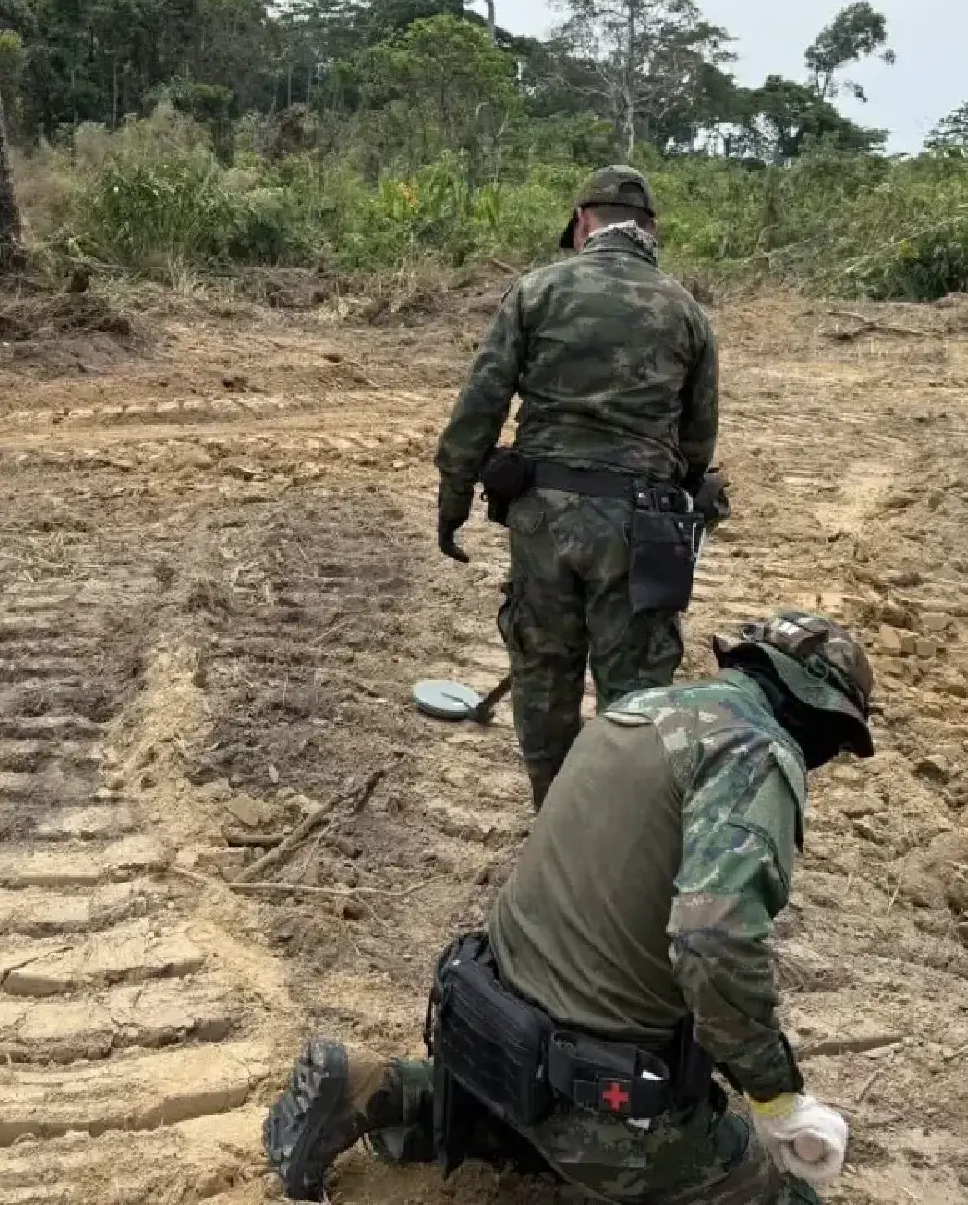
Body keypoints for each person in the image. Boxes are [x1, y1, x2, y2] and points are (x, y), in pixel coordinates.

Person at [263, 611, 876, 1205]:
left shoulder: (641, 709)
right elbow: (713, 941)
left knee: (524, 1118)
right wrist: (777, 1096)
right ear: (818, 710)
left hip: (480, 1022)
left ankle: (377, 1087)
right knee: (767, 1191)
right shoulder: (755, 752)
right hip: (590, 1093)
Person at [434, 165, 721, 806]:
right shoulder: (686, 311)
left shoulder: (537, 291)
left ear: (583, 223)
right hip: (642, 529)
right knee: (635, 689)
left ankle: (551, 809)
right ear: (651, 230)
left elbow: (481, 403)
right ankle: (612, 832)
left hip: (543, 519)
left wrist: (454, 498)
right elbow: (699, 440)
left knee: (543, 670)